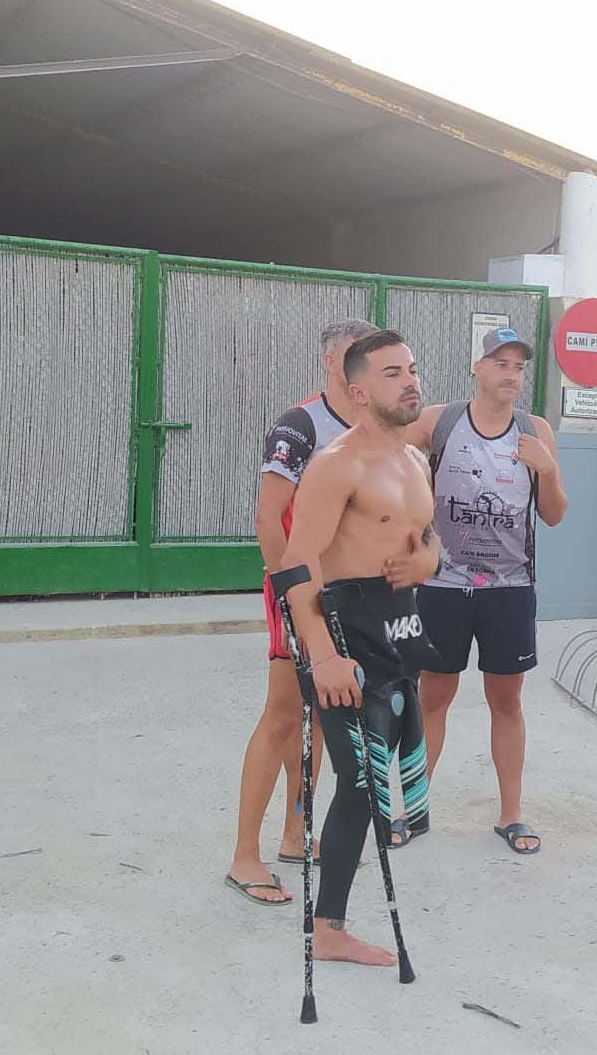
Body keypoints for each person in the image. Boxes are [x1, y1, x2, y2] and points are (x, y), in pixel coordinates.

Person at [273, 329, 440, 965]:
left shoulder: (416, 461)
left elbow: (427, 541)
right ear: (359, 389)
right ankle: (330, 929)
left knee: (374, 781)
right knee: (359, 782)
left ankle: (332, 923)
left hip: (398, 632)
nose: (410, 381)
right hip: (343, 638)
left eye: (413, 369)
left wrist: (425, 564)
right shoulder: (336, 463)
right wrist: (321, 654)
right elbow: (295, 563)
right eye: (393, 373)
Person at [225, 318, 379, 907]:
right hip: (299, 590)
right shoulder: (300, 426)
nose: (361, 371)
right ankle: (244, 855)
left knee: (323, 714)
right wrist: (291, 593)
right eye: (351, 359)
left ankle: (296, 832)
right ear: (331, 364)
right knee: (284, 716)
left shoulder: (372, 431)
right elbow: (269, 519)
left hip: (351, 595)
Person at [405, 326, 568, 854]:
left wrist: (547, 471)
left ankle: (512, 814)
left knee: (506, 700)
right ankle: (413, 808)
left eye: (519, 366)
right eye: (500, 362)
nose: (511, 373)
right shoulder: (439, 421)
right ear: (476, 367)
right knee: (433, 696)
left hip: (509, 588)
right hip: (442, 584)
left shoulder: (535, 430)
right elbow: (387, 465)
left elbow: (554, 515)